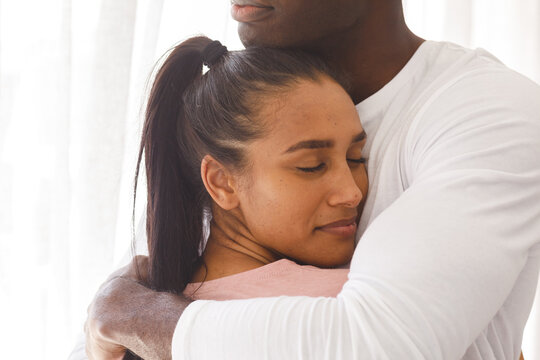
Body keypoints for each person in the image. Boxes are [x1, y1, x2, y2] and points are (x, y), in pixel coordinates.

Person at [84, 0, 540, 359]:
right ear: (220, 183)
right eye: (310, 166)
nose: (351, 193)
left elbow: (374, 346)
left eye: (357, 157)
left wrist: (133, 315)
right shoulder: (239, 115)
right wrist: (116, 312)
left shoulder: (485, 109)